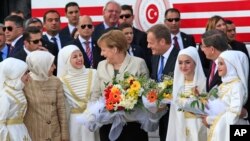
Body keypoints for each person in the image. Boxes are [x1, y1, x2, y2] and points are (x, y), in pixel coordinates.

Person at [90, 30, 149, 141]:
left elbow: (146, 94)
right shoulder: (101, 65)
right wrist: (92, 115)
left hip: (132, 125)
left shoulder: (138, 63)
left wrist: (127, 100)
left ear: (115, 49)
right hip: (107, 125)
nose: (101, 54)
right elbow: (96, 94)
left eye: (104, 50)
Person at [201, 50, 249, 141]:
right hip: (221, 129)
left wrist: (210, 119)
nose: (218, 67)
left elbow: (234, 114)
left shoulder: (237, 85)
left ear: (232, 65)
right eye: (218, 64)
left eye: (221, 64)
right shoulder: (223, 85)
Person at [24, 51, 69, 141]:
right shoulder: (25, 82)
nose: (54, 67)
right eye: (51, 65)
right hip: (34, 133)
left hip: (54, 133)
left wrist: (64, 134)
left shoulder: (56, 81)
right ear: (40, 65)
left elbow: (61, 109)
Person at [57, 45, 99, 141]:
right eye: (74, 57)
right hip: (75, 122)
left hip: (93, 118)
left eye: (80, 55)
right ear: (67, 60)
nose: (79, 58)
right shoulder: (61, 81)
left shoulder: (94, 73)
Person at [166, 47, 207, 141]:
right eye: (180, 63)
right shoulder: (177, 85)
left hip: (199, 126)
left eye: (187, 62)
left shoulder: (204, 83)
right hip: (181, 126)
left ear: (195, 63)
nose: (183, 66)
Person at [147, 24, 179, 141]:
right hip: (161, 117)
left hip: (176, 116)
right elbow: (154, 79)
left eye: (151, 42)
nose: (148, 46)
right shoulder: (155, 57)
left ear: (162, 41)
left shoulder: (180, 57)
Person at [0, 58, 31, 141]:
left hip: (21, 130)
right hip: (11, 133)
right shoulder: (5, 94)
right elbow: (1, 121)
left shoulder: (18, 89)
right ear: (16, 74)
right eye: (25, 73)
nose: (28, 75)